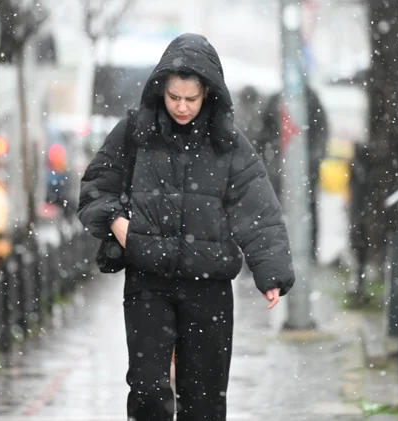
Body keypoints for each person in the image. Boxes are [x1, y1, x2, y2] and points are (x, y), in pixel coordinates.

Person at [76, 33, 295, 421]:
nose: (180, 106)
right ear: (161, 90)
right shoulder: (135, 132)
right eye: (173, 96)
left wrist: (271, 271)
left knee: (205, 399)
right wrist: (119, 225)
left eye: (190, 99)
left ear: (208, 94)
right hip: (148, 281)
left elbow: (257, 210)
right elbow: (97, 187)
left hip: (209, 286)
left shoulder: (230, 145)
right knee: (146, 390)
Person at [257, 84, 329, 262]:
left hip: (305, 170)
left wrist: (312, 161)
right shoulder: (277, 98)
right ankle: (272, 253)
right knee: (273, 211)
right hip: (277, 169)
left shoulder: (310, 99)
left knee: (308, 210)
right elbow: (263, 134)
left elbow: (321, 132)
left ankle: (308, 253)